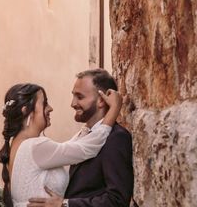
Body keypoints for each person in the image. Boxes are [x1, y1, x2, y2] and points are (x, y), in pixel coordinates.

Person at [0, 82, 123, 207]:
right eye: (44, 103)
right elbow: (88, 147)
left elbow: (69, 146)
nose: (50, 108)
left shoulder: (17, 145)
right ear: (26, 111)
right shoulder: (36, 146)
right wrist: (114, 109)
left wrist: (88, 126)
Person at [27, 69, 134, 207]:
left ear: (101, 100)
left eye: (80, 97)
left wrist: (65, 204)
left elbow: (117, 200)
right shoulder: (81, 136)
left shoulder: (116, 138)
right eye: (73, 96)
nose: (73, 103)